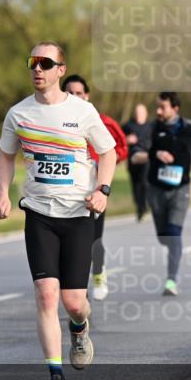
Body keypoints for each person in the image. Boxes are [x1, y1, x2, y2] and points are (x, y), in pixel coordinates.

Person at [0, 42, 117, 380]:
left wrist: (102, 189)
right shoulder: (19, 114)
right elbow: (5, 155)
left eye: (46, 63)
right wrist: (2, 193)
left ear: (61, 70)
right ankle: (55, 376)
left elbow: (107, 152)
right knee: (46, 295)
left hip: (78, 215)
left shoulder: (82, 111)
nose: (38, 69)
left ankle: (79, 328)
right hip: (40, 214)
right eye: (33, 62)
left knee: (74, 302)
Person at [131, 92, 191, 296]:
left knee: (173, 234)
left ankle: (171, 280)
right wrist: (154, 154)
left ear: (175, 108)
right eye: (157, 106)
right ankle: (173, 248)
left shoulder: (190, 128)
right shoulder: (152, 129)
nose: (157, 111)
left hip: (180, 190)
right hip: (156, 190)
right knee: (163, 237)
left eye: (162, 107)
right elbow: (135, 156)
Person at [62, 75, 128, 301]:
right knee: (69, 242)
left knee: (93, 239)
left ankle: (98, 274)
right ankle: (77, 286)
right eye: (70, 93)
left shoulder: (103, 122)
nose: (75, 97)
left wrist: (104, 164)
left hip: (94, 191)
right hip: (65, 192)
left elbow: (120, 148)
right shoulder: (55, 123)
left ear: (87, 95)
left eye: (79, 93)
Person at [122, 103, 152, 222]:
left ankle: (144, 206)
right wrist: (126, 140)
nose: (139, 114)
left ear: (146, 114)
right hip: (133, 159)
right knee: (135, 185)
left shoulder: (151, 126)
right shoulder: (128, 126)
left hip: (146, 158)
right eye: (137, 112)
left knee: (145, 182)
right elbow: (116, 139)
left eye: (141, 112)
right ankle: (139, 208)